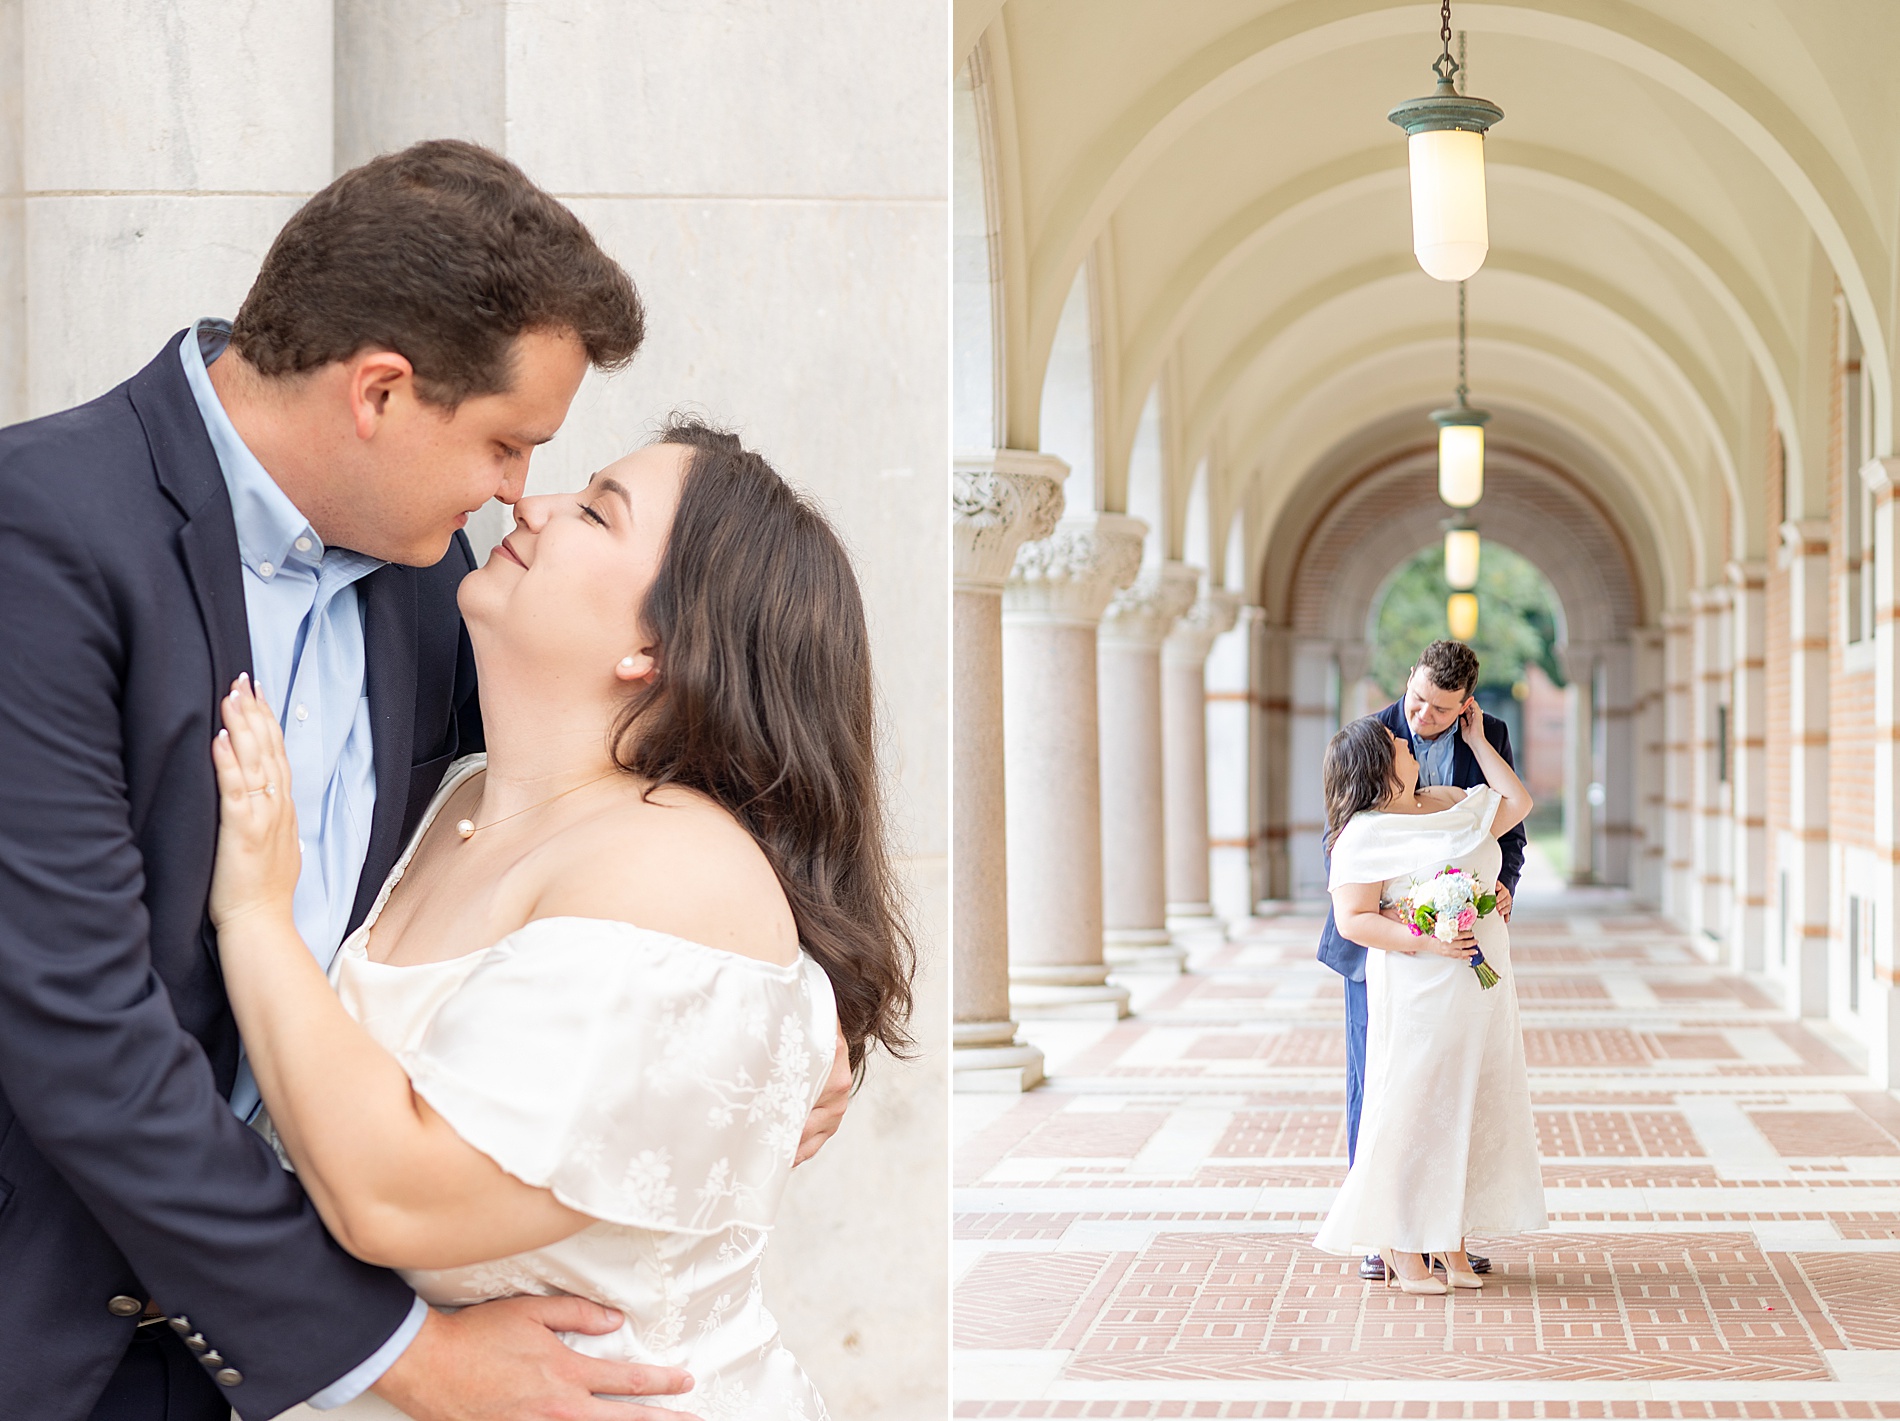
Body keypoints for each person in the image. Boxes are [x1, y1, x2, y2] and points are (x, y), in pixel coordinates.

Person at [0, 141, 849, 1421]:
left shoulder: (429, 578)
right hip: (79, 1345)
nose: (518, 496)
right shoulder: (43, 535)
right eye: (508, 442)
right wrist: (406, 1357)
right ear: (381, 391)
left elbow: (645, 777)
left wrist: (780, 1016)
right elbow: (79, 1029)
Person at [206, 421, 912, 1418]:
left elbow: (390, 1192)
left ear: (656, 647)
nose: (526, 504)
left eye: (593, 510)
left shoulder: (677, 873)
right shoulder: (457, 794)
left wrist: (252, 913)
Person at [1310, 703, 1546, 1291]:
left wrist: (1480, 741)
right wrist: (1424, 937)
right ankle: (1399, 1243)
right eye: (1394, 745)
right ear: (1376, 768)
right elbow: (1355, 921)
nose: (1405, 741)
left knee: (1470, 1101)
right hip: (1421, 987)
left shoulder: (1445, 801)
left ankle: (1451, 1238)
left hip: (1481, 983)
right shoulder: (1365, 834)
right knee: (1414, 1105)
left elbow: (1516, 806)